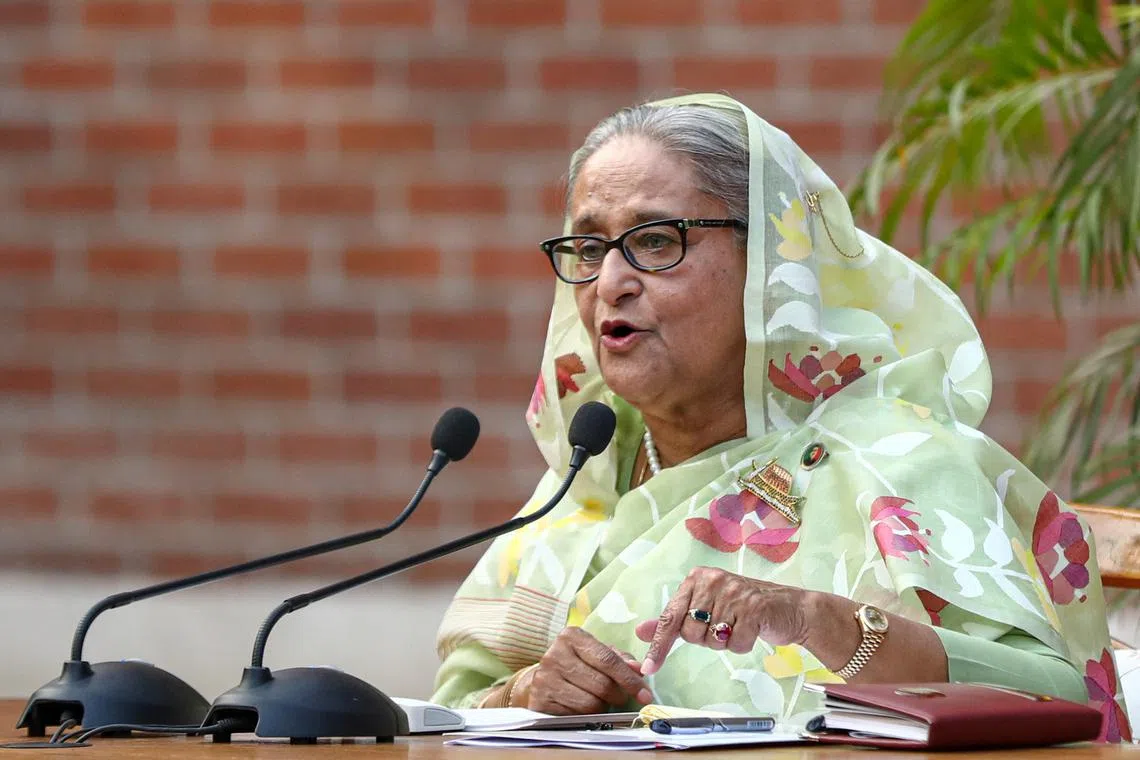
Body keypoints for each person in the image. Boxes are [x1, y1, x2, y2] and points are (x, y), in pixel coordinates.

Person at [430, 93, 1130, 741]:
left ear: (770, 263)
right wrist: (525, 694)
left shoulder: (897, 460)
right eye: (589, 248)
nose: (610, 281)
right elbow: (447, 718)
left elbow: (1062, 705)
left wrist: (820, 622)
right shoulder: (578, 500)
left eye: (654, 240)